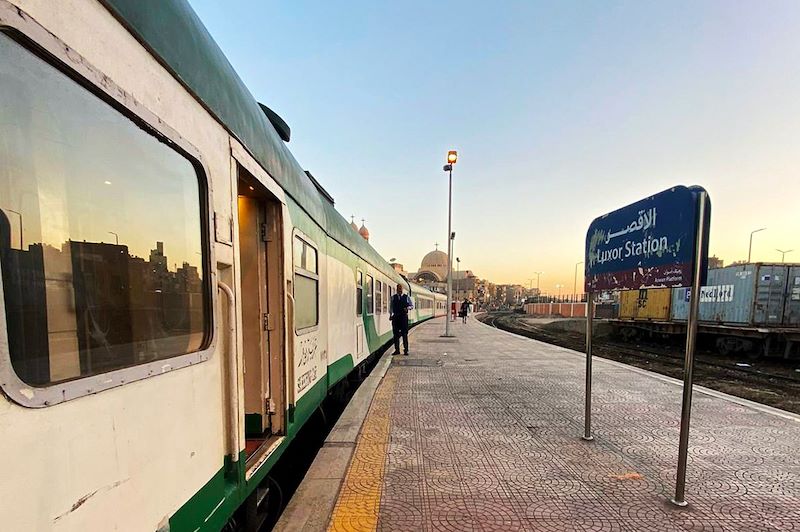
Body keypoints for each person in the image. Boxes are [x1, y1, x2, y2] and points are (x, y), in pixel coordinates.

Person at [390, 283, 413, 355]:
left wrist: (407, 308)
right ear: (396, 289)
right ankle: (397, 350)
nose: (399, 290)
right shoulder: (393, 297)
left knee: (404, 334)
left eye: (400, 288)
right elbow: (391, 307)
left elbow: (411, 306)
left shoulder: (406, 297)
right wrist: (391, 315)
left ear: (402, 289)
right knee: (396, 335)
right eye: (398, 288)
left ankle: (406, 350)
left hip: (403, 317)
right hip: (396, 317)